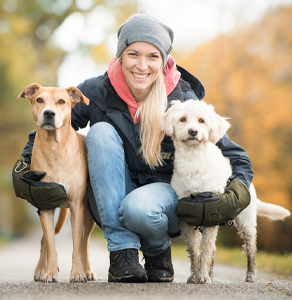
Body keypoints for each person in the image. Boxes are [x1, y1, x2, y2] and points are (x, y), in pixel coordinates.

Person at [12, 9, 253, 283]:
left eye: (152, 56)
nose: (142, 65)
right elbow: (52, 124)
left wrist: (235, 195)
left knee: (138, 206)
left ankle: (157, 251)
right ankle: (123, 253)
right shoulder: (96, 91)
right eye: (133, 54)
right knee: (99, 132)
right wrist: (25, 167)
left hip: (165, 202)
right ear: (120, 56)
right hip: (110, 198)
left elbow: (235, 155)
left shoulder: (182, 100)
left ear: (163, 60)